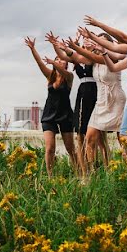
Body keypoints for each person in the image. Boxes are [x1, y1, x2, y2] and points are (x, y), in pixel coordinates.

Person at [66, 34, 126, 169]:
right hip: (101, 101)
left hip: (116, 100)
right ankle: (93, 174)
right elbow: (75, 58)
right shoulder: (92, 60)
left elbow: (93, 56)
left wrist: (75, 47)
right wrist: (67, 48)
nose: (98, 44)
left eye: (102, 42)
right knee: (90, 138)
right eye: (97, 42)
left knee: (122, 139)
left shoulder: (112, 58)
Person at [23, 36, 79, 176]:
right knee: (50, 149)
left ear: (66, 64)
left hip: (65, 115)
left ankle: (80, 174)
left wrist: (54, 62)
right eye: (58, 59)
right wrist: (33, 49)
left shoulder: (69, 77)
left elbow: (63, 72)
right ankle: (50, 177)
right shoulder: (50, 76)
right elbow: (40, 63)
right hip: (49, 115)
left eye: (62, 60)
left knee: (70, 149)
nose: (59, 61)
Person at [46, 32, 96, 167]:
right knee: (80, 133)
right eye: (84, 39)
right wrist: (55, 45)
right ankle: (83, 169)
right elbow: (63, 55)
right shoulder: (77, 58)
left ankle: (97, 164)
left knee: (95, 134)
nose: (86, 41)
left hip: (95, 91)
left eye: (88, 39)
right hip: (83, 93)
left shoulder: (95, 55)